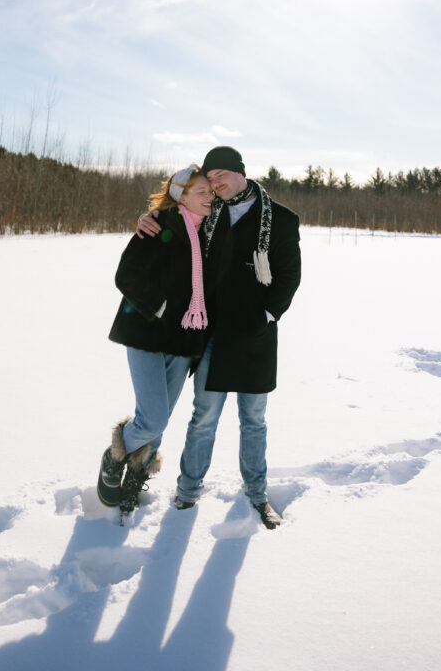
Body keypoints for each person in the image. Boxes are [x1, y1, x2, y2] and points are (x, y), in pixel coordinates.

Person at [137, 146, 301, 529]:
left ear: (241, 172)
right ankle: (188, 491)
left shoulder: (279, 218)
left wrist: (266, 315)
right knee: (204, 417)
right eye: (209, 179)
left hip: (257, 337)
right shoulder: (208, 215)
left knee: (254, 419)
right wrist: (150, 218)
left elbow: (289, 277)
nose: (215, 183)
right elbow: (173, 226)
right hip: (212, 336)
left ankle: (257, 494)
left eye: (221, 174)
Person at [97, 164, 214, 518]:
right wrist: (160, 307)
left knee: (159, 425)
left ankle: (135, 477)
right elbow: (126, 275)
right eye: (201, 192)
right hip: (146, 334)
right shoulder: (159, 224)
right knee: (152, 420)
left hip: (183, 343)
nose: (209, 197)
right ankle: (113, 456)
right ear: (181, 195)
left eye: (211, 191)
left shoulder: (212, 234)